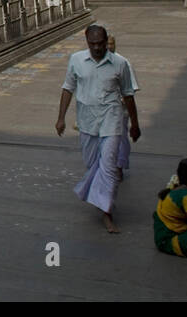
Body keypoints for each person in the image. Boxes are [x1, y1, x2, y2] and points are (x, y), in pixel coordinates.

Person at [56, 24, 140, 233]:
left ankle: (107, 212)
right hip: (87, 121)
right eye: (92, 44)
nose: (97, 48)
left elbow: (128, 94)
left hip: (112, 119)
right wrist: (61, 118)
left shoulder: (120, 63)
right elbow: (68, 88)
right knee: (93, 164)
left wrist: (135, 124)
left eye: (100, 43)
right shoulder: (76, 60)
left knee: (109, 167)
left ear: (106, 42)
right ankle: (100, 196)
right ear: (87, 43)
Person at [105, 33, 140, 176]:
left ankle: (119, 165)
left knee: (119, 138)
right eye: (106, 43)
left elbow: (130, 93)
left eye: (111, 43)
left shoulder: (123, 63)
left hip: (119, 109)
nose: (108, 47)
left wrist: (135, 123)